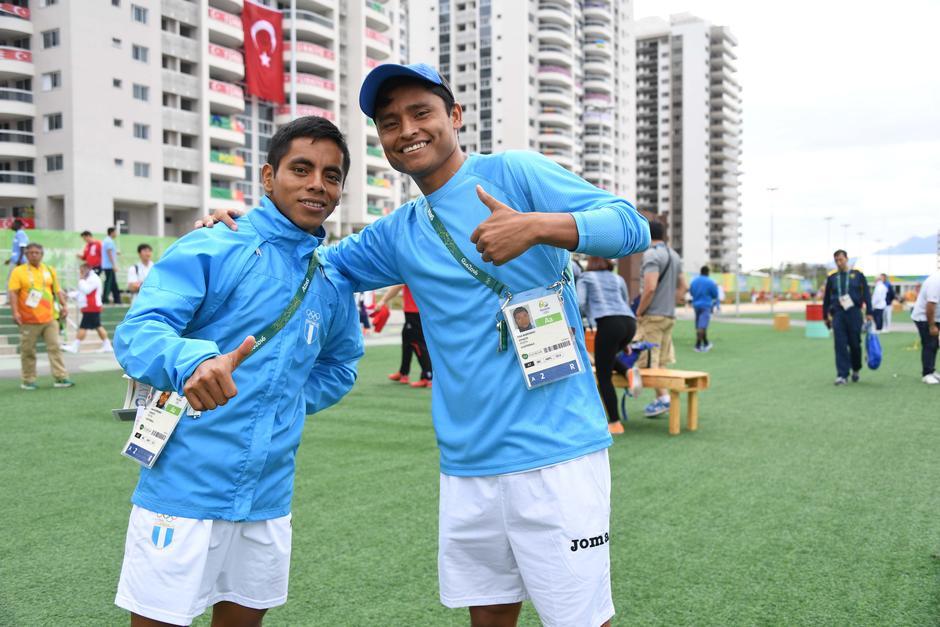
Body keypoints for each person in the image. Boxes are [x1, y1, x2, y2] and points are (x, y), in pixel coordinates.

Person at [199, 62, 650, 627]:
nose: (406, 129)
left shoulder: (513, 173)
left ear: (454, 117)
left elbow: (630, 225)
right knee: (486, 617)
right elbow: (319, 264)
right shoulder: (401, 231)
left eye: (421, 113)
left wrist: (535, 226)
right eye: (389, 122)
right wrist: (240, 229)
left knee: (579, 619)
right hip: (467, 463)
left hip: (557, 453)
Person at [112, 117, 363, 626]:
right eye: (301, 168)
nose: (317, 183)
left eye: (331, 175)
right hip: (183, 488)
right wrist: (195, 361)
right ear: (268, 178)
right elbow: (139, 331)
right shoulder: (215, 243)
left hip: (269, 496)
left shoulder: (331, 280)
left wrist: (287, 397)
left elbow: (340, 365)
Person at [577, 256, 636, 434]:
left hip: (608, 323)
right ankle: (628, 370)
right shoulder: (618, 278)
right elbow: (625, 302)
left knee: (603, 376)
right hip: (629, 323)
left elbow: (579, 303)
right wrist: (624, 341)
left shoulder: (585, 278)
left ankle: (615, 422)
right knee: (606, 359)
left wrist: (582, 316)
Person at [634, 220, 685, 417]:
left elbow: (650, 287)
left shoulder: (652, 255)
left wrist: (639, 310)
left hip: (653, 316)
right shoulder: (674, 255)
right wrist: (670, 302)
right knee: (661, 360)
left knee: (648, 362)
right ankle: (661, 397)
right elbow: (683, 287)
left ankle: (663, 399)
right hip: (669, 315)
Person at [6, 243, 74, 390]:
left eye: (37, 252)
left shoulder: (49, 270)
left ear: (42, 255)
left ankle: (61, 377)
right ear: (26, 255)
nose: (34, 255)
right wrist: (15, 312)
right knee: (28, 350)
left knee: (55, 347)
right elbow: (13, 293)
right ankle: (28, 380)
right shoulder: (19, 271)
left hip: (50, 317)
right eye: (30, 253)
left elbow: (57, 290)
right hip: (28, 319)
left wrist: (64, 305)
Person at [822, 249, 873, 385]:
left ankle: (856, 369)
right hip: (838, 314)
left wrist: (869, 312)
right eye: (836, 260)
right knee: (840, 344)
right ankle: (842, 375)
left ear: (847, 259)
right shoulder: (832, 278)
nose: (839, 262)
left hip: (854, 313)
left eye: (841, 259)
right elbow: (826, 298)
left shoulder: (858, 275)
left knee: (855, 344)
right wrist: (825, 316)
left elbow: (867, 294)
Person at [376, 284, 433, 387]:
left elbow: (398, 286)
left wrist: (382, 301)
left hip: (415, 312)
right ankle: (403, 373)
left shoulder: (409, 268)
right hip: (418, 310)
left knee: (417, 343)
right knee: (407, 340)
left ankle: (427, 377)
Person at [63, 262, 113, 354]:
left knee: (84, 326)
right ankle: (107, 345)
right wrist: (69, 294)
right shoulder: (88, 279)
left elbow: (86, 290)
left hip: (91, 306)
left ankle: (75, 346)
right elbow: (80, 293)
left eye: (81, 271)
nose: (80, 273)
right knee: (97, 326)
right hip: (89, 307)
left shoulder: (93, 279)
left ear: (87, 270)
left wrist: (81, 280)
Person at [910, 270, 940, 384]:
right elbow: (930, 306)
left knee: (935, 344)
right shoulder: (936, 281)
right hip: (924, 317)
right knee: (929, 343)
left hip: (936, 316)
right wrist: (932, 326)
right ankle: (927, 373)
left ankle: (931, 371)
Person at [689, 265, 719, 352]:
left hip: (696, 305)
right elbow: (715, 295)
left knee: (699, 324)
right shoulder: (710, 282)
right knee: (702, 326)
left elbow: (691, 292)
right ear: (708, 272)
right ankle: (698, 345)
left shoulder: (694, 281)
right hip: (706, 305)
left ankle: (706, 343)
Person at [101, 226, 121, 304]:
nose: (116, 234)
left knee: (113, 283)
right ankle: (105, 299)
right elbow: (109, 253)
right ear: (112, 232)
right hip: (109, 266)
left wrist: (116, 252)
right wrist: (114, 265)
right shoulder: (109, 241)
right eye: (115, 232)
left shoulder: (107, 240)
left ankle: (117, 299)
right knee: (108, 283)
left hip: (107, 265)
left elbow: (110, 252)